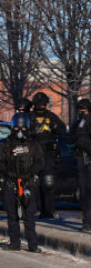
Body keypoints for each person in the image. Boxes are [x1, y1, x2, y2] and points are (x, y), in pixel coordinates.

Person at [0, 112, 43, 252]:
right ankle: (14, 243)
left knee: (29, 215)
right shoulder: (7, 144)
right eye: (17, 128)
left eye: (23, 128)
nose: (20, 131)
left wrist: (32, 174)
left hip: (28, 182)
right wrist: (7, 174)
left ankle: (32, 245)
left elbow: (39, 161)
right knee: (12, 215)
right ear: (12, 128)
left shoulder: (33, 144)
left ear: (27, 128)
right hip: (11, 182)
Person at [29, 91, 67, 219]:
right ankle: (44, 210)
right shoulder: (43, 117)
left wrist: (54, 127)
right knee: (42, 183)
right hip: (39, 154)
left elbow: (61, 130)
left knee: (43, 182)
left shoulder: (47, 117)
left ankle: (45, 211)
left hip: (45, 154)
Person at [69, 99, 91, 233]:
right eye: (80, 111)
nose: (82, 114)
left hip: (88, 157)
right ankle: (87, 221)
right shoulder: (78, 124)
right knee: (85, 191)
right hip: (81, 158)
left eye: (84, 111)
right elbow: (69, 139)